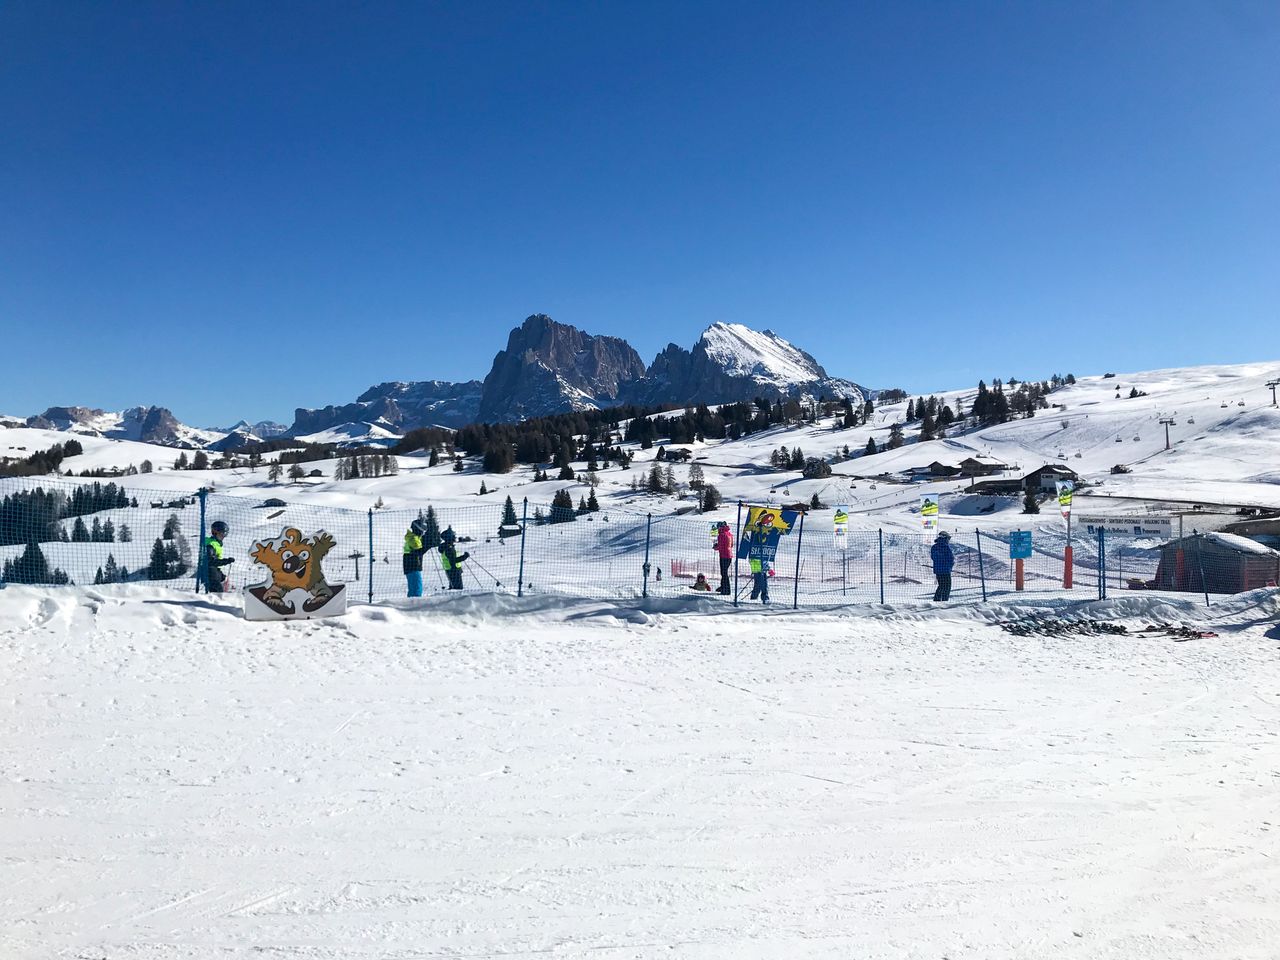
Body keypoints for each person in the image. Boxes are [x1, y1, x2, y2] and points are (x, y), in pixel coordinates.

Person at [203, 520, 234, 593]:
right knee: (218, 590)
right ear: (215, 533)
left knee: (226, 580)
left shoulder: (216, 544)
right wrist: (226, 561)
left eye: (224, 534)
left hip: (216, 571)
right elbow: (211, 561)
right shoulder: (210, 544)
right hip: (210, 572)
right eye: (221, 534)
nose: (223, 536)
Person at [403, 518, 429, 597]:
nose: (423, 533)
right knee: (417, 587)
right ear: (418, 529)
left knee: (413, 587)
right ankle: (415, 603)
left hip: (411, 564)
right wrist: (428, 546)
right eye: (423, 530)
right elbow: (418, 552)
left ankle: (411, 602)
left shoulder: (413, 538)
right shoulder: (413, 539)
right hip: (413, 565)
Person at [745, 531, 771, 605]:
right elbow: (761, 560)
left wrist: (768, 568)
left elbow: (765, 559)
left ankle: (757, 597)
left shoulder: (758, 546)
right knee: (761, 585)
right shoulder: (755, 547)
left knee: (760, 584)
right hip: (758, 568)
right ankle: (762, 598)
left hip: (760, 569)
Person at [931, 530, 955, 601]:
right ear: (945, 538)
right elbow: (950, 558)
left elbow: (933, 557)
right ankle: (945, 601)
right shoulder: (946, 547)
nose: (948, 540)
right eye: (948, 538)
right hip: (946, 570)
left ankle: (937, 600)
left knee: (941, 586)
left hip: (938, 570)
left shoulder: (934, 547)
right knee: (947, 586)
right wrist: (950, 565)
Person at [714, 520, 734, 594]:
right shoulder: (730, 534)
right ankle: (723, 586)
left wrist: (716, 547)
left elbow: (721, 546)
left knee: (724, 573)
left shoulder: (721, 535)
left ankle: (726, 589)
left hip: (723, 556)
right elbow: (731, 545)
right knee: (724, 572)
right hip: (729, 555)